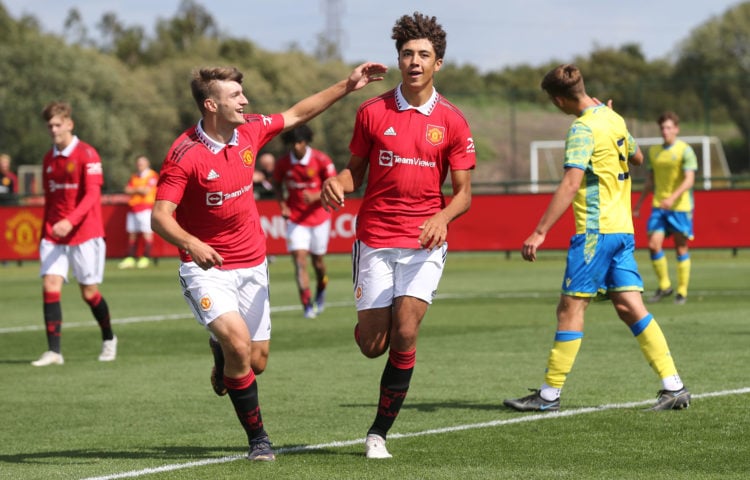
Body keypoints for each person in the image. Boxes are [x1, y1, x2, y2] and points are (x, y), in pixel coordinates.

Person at [151, 61, 387, 462]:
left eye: (242, 93)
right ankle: (259, 441)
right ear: (210, 105)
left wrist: (347, 86)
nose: (245, 100)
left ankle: (220, 350)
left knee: (255, 362)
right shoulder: (184, 154)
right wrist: (193, 243)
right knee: (240, 348)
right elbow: (159, 216)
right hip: (205, 269)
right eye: (235, 96)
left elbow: (297, 112)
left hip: (252, 264)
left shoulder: (251, 130)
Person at [321, 12, 476, 459]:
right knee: (374, 345)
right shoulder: (372, 111)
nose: (414, 61)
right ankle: (373, 316)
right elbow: (354, 173)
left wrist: (443, 218)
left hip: (424, 244)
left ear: (438, 63)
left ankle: (378, 434)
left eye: (423, 54)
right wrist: (337, 182)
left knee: (405, 333)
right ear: (399, 59)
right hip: (374, 238)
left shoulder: (452, 121)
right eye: (407, 53)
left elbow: (464, 194)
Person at [503, 64, 690, 413]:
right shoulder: (612, 118)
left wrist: (540, 230)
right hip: (622, 231)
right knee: (630, 306)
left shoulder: (582, 129)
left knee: (570, 309)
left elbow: (571, 183)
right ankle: (673, 385)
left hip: (595, 232)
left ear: (559, 100)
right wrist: (616, 125)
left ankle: (548, 395)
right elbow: (637, 157)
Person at [32, 101, 117, 366]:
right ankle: (54, 352)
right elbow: (50, 200)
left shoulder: (88, 154)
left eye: (58, 124)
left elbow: (93, 195)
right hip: (54, 234)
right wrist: (45, 232)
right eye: (50, 126)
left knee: (89, 292)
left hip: (84, 233)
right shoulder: (48, 159)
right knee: (50, 286)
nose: (54, 130)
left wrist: (70, 221)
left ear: (69, 124)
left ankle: (109, 338)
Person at [633, 111, 697, 305]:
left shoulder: (685, 150)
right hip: (659, 206)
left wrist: (673, 198)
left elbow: (689, 180)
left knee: (680, 247)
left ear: (676, 129)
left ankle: (682, 291)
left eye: (669, 127)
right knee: (653, 245)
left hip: (680, 206)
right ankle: (665, 285)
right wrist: (639, 204)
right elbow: (649, 181)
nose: (665, 131)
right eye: (662, 127)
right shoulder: (654, 152)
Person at [273, 125, 336, 319]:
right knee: (300, 261)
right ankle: (307, 305)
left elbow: (334, 185)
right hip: (295, 219)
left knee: (318, 263)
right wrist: (282, 204)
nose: (297, 146)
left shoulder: (321, 160)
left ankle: (321, 290)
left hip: (319, 218)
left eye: (300, 142)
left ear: (306, 141)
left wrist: (317, 196)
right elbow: (276, 184)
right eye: (293, 143)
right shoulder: (283, 163)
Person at [118, 155, 159, 269]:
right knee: (132, 234)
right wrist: (138, 190)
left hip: (146, 208)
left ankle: (145, 257)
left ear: (147, 164)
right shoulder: (134, 176)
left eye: (142, 163)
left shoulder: (152, 175)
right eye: (138, 163)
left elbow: (146, 191)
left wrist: (134, 190)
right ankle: (131, 257)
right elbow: (127, 189)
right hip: (133, 208)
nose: (139, 165)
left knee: (147, 233)